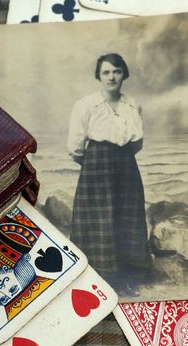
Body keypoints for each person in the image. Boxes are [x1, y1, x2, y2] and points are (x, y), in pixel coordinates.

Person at [67, 53, 151, 295]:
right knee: (99, 219)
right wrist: (93, 162)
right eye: (106, 72)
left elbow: (137, 142)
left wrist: (121, 156)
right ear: (98, 76)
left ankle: (129, 275)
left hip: (126, 164)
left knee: (128, 215)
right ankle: (99, 275)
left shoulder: (133, 104)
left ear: (124, 73)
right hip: (96, 165)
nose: (111, 77)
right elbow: (75, 146)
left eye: (116, 71)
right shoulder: (85, 105)